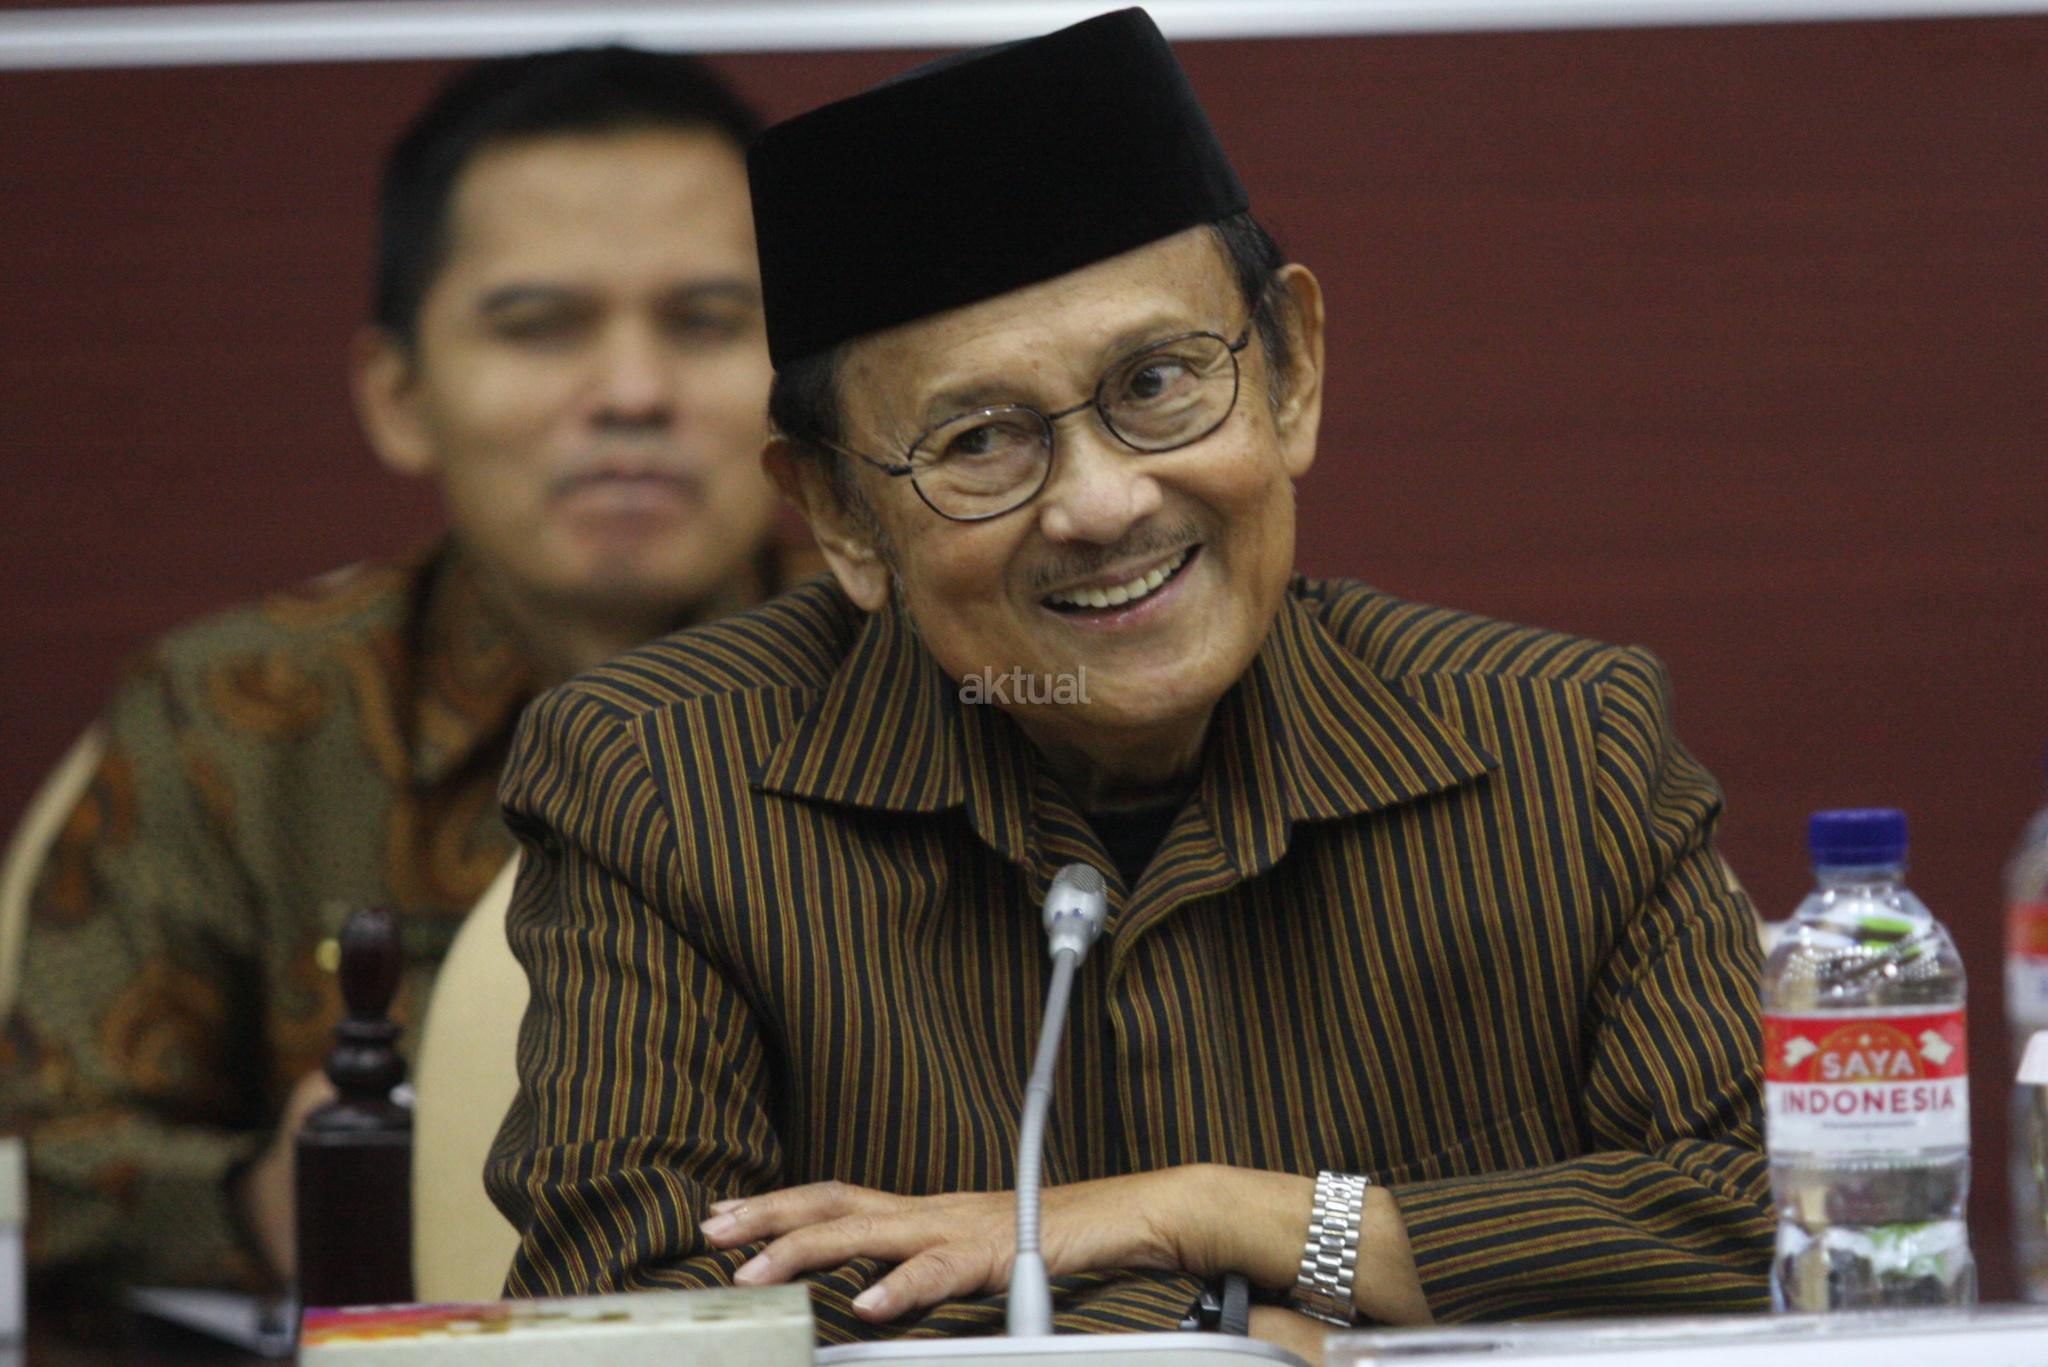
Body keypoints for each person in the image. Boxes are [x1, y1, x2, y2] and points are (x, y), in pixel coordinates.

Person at [486, 10, 1771, 1357]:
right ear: (843, 517)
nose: (1102, 505)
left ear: (1290, 372)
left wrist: (1208, 1212)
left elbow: (1785, 1225)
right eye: (980, 440)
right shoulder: (662, 779)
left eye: (1157, 382)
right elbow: (625, 1310)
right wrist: (1221, 1322)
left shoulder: (1566, 744)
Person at [0, 45, 801, 1296]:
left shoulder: (934, 682)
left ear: (801, 379)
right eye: (540, 326)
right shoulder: (242, 716)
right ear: (398, 394)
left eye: (706, 321)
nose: (633, 392)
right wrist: (261, 1199)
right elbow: (43, 1155)